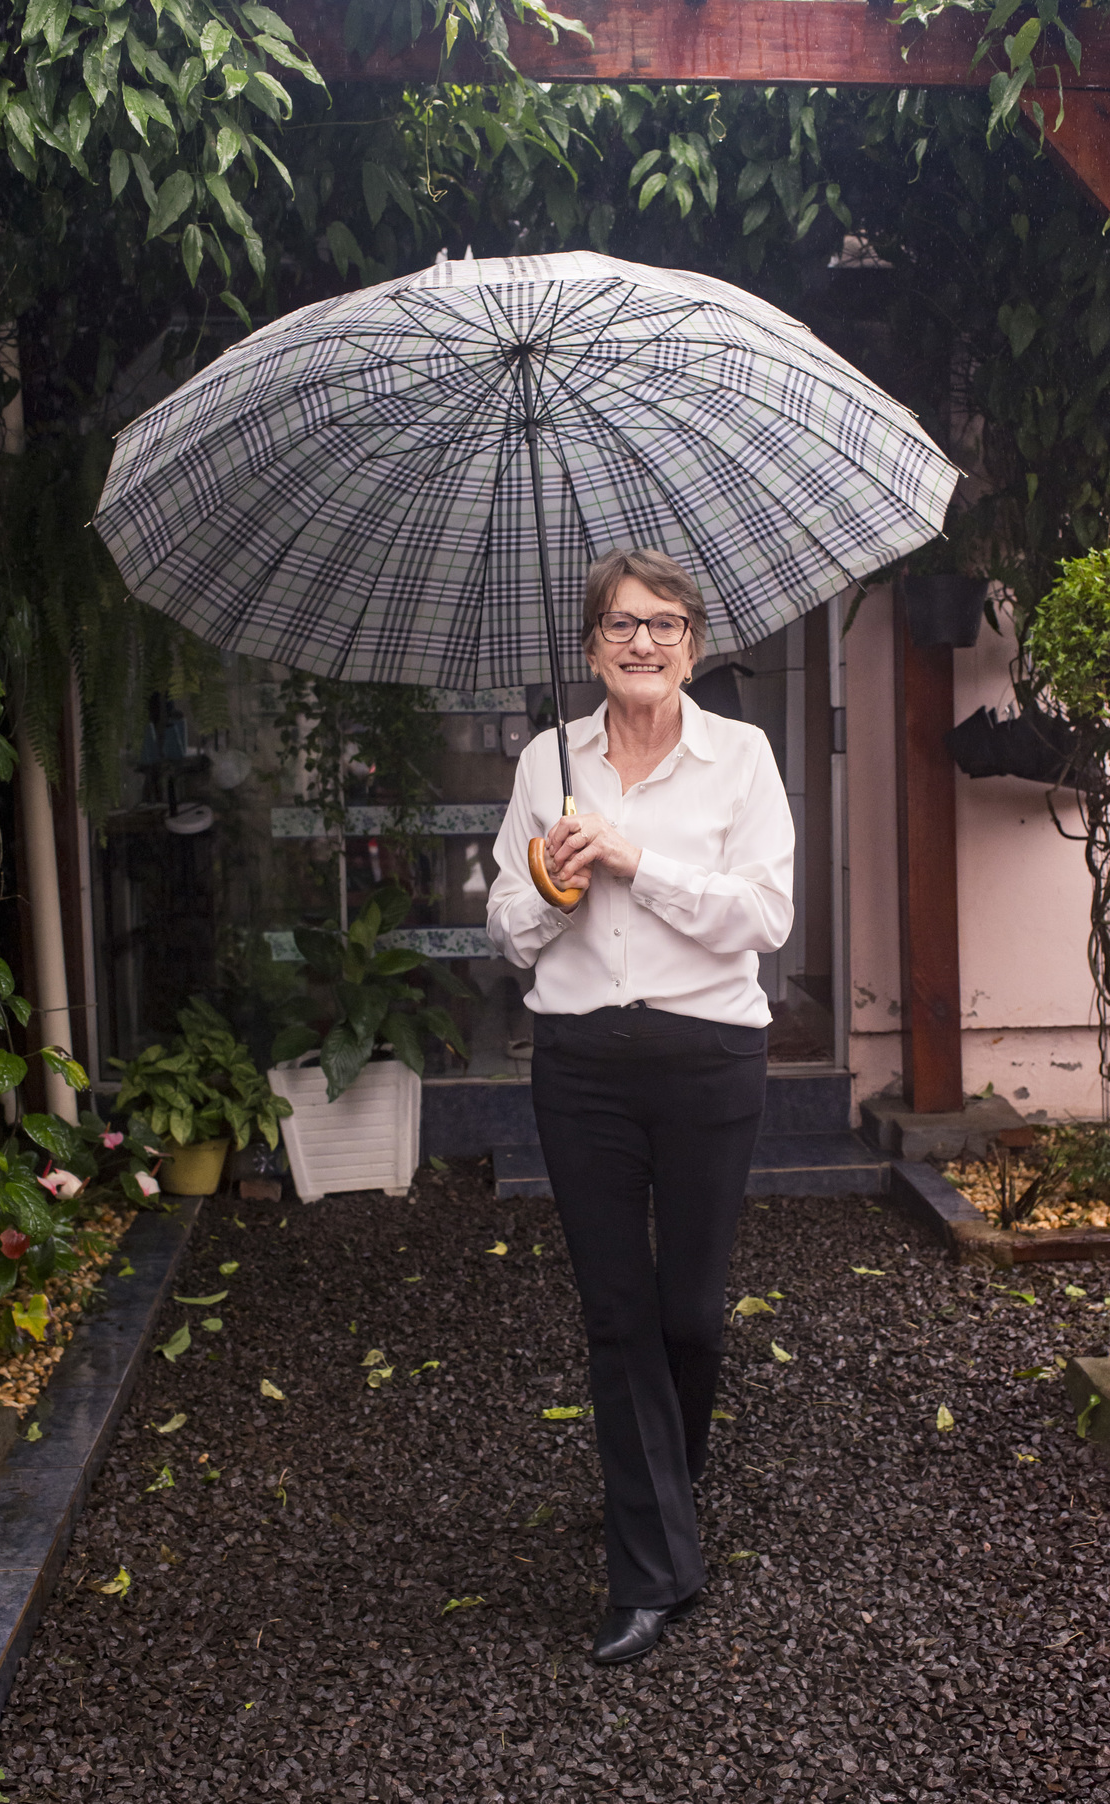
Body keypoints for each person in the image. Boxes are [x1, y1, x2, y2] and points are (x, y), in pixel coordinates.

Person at [486, 547, 795, 1665]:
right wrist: (555, 888)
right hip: (581, 1065)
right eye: (620, 624)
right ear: (592, 647)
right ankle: (653, 1568)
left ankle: (668, 1485)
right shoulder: (547, 761)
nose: (643, 642)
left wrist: (633, 858)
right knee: (617, 1312)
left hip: (709, 1057)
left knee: (692, 1314)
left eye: (665, 624)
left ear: (693, 647)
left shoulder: (742, 757)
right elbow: (505, 926)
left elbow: (765, 916)